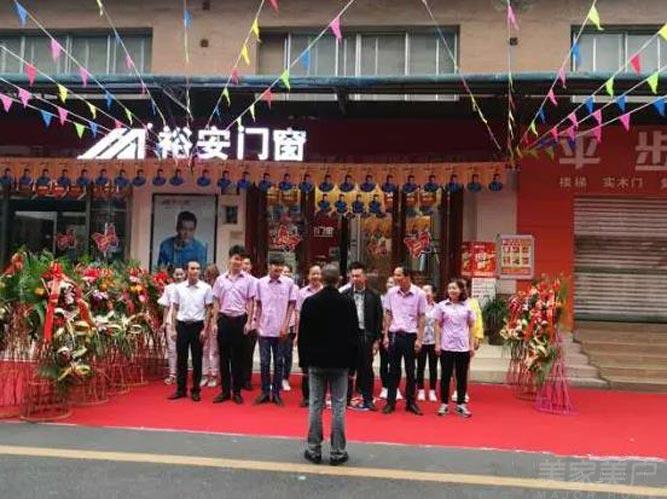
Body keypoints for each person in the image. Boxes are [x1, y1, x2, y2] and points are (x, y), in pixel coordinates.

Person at [298, 264, 358, 466]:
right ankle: (338, 451)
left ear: (322, 279)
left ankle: (313, 449)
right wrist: (353, 365)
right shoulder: (347, 303)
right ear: (339, 279)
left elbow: (303, 336)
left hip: (316, 361)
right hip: (340, 361)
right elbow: (354, 335)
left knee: (315, 404)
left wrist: (303, 362)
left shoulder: (310, 302)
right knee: (339, 406)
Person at [211, 246, 256, 404]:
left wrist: (249, 322)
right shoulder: (220, 280)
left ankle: (236, 392)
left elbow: (251, 301)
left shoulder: (248, 280)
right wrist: (215, 322)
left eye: (241, 260)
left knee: (238, 357)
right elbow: (216, 301)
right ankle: (225, 391)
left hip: (240, 320)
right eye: (236, 258)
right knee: (223, 357)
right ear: (229, 259)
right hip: (224, 320)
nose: (238, 262)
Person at [166, 261, 213, 402]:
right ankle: (180, 389)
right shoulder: (178, 288)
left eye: (198, 268)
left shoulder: (206, 288)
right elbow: (174, 308)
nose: (195, 271)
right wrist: (173, 329)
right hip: (182, 326)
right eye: (192, 268)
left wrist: (205, 329)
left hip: (198, 326)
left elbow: (209, 309)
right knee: (181, 359)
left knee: (197, 359)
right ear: (187, 271)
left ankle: (196, 390)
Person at [382, 266, 426, 416]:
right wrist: (386, 336)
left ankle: (411, 402)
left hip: (410, 335)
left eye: (399, 275)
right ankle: (390, 402)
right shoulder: (391, 293)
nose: (396, 278)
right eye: (395, 275)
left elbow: (422, 317)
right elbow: (388, 314)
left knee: (411, 370)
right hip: (395, 333)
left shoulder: (419, 294)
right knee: (393, 370)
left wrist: (419, 339)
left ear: (407, 277)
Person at [253, 253, 296, 406]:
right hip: (264, 329)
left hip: (281, 329)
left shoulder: (289, 283)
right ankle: (265, 392)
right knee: (264, 362)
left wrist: (286, 325)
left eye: (280, 265)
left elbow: (291, 305)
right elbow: (258, 304)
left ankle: (276, 393)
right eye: (275, 265)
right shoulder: (260, 283)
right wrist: (256, 324)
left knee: (279, 362)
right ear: (269, 266)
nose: (278, 268)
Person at [342, 262, 383, 411]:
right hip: (349, 336)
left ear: (365, 277)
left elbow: (378, 318)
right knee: (347, 369)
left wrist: (377, 340)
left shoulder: (374, 295)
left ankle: (368, 399)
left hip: (366, 335)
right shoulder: (345, 294)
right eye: (353, 276)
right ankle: (345, 399)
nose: (355, 278)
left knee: (366, 369)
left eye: (358, 276)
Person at [434, 278, 475, 418]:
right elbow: (437, 325)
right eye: (450, 288)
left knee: (461, 377)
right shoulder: (441, 306)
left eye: (455, 288)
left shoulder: (467, 306)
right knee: (445, 376)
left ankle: (461, 404)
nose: (452, 290)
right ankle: (444, 404)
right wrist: (437, 343)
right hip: (446, 346)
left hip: (462, 347)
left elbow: (471, 326)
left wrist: (471, 345)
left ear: (461, 290)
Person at [451, 278, 484, 404]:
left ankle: (463, 391)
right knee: (454, 366)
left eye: (464, 286)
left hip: (468, 337)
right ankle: (456, 389)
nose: (461, 289)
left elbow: (478, 321)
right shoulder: (450, 302)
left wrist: (478, 337)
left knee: (465, 366)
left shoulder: (473, 303)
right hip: (452, 337)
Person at [294, 265, 323, 407]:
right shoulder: (302, 293)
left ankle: (320, 398)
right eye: (313, 274)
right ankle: (306, 397)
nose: (315, 277)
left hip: (322, 335)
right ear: (308, 276)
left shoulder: (325, 291)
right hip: (306, 334)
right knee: (306, 367)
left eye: (318, 274)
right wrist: (297, 335)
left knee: (321, 367)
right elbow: (298, 315)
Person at [157, 266, 185, 385]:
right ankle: (172, 374)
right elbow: (166, 307)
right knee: (172, 349)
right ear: (172, 275)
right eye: (176, 274)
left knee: (182, 349)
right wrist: (164, 322)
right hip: (170, 321)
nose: (179, 276)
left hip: (184, 320)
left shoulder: (188, 287)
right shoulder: (168, 288)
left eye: (181, 274)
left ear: (185, 275)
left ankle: (181, 374)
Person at [379, 276, 400, 400]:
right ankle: (385, 386)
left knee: (395, 362)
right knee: (384, 361)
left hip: (396, 332)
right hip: (383, 332)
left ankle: (395, 387)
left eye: (393, 282)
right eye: (389, 282)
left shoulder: (399, 298)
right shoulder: (381, 298)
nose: (390, 284)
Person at [417, 284, 439, 403]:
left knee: (433, 367)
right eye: (423, 291)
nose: (425, 293)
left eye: (427, 291)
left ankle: (432, 391)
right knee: (420, 366)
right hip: (421, 340)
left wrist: (439, 342)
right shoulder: (418, 306)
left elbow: (439, 325)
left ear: (433, 293)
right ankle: (420, 390)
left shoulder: (438, 307)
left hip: (433, 341)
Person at [280, 264, 300, 392]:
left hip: (291, 325)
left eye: (288, 272)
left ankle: (285, 378)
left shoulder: (295, 288)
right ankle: (277, 379)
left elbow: (297, 310)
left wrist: (297, 332)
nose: (285, 274)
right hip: (277, 323)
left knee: (287, 353)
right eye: (283, 271)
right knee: (278, 354)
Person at [201, 264, 220, 388]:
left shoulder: (219, 286)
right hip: (203, 319)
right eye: (207, 274)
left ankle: (214, 374)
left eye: (210, 274)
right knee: (204, 349)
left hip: (215, 320)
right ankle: (204, 374)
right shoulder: (203, 287)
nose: (208, 276)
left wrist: (214, 320)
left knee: (213, 349)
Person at [240, 255, 258, 390]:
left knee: (248, 352)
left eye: (247, 264)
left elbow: (259, 303)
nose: (245, 266)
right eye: (243, 263)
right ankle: (236, 378)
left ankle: (246, 380)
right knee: (236, 351)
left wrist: (254, 320)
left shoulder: (257, 282)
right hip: (237, 320)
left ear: (251, 266)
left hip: (252, 321)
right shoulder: (235, 281)